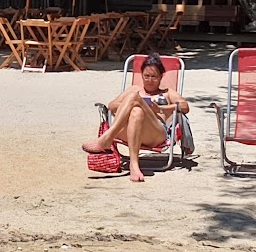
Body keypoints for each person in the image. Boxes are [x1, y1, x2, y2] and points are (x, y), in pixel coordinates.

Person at [81, 53, 190, 182]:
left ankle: (106, 138)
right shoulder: (134, 89)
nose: (150, 80)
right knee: (136, 111)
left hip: (155, 134)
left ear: (161, 76)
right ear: (141, 75)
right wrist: (134, 105)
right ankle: (134, 165)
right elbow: (111, 105)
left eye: (154, 77)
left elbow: (185, 107)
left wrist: (160, 108)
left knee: (134, 98)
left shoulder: (167, 93)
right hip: (127, 131)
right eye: (146, 76)